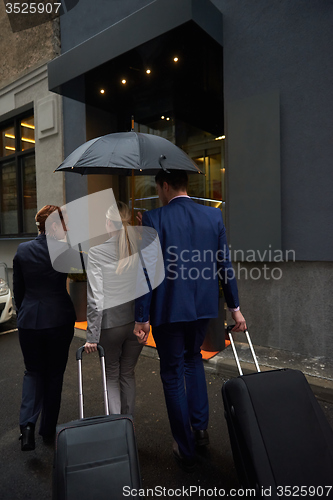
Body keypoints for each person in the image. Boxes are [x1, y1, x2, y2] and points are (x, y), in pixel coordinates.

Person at [134, 169, 247, 471]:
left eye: (158, 187)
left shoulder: (153, 219)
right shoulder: (213, 217)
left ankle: (184, 446)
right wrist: (235, 308)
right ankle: (199, 430)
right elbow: (225, 264)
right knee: (193, 359)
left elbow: (146, 272)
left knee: (172, 373)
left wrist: (141, 317)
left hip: (168, 310)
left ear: (166, 186)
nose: (158, 193)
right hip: (203, 308)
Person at [13, 205, 77, 451]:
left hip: (30, 321)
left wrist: (25, 313)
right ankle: (48, 429)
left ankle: (27, 426)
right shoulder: (66, 251)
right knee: (54, 375)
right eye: (64, 223)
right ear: (52, 226)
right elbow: (80, 275)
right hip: (59, 321)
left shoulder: (23, 250)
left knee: (32, 372)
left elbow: (19, 289)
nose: (67, 228)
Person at [84, 201, 143, 415]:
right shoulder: (139, 248)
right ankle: (128, 427)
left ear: (108, 223)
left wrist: (92, 335)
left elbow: (96, 297)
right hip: (136, 323)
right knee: (127, 373)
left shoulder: (97, 252)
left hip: (110, 326)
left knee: (111, 375)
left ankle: (118, 430)